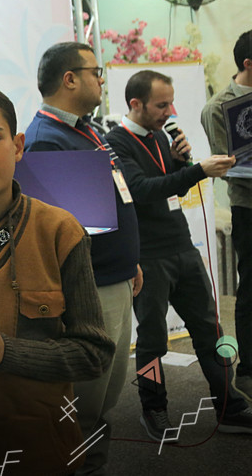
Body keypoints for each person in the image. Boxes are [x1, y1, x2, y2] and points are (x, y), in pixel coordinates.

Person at [0, 83, 114, 475]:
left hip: (39, 442)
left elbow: (94, 353)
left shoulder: (60, 230)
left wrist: (6, 352)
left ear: (17, 146)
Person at [105, 69, 252, 440]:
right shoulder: (114, 143)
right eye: (161, 105)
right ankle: (153, 406)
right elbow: (141, 190)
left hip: (181, 246)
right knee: (152, 340)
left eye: (171, 103)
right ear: (135, 104)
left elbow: (173, 186)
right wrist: (198, 170)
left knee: (210, 328)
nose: (169, 111)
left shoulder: (161, 135)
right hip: (149, 255)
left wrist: (180, 163)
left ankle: (229, 405)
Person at [23, 42, 143, 475]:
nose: (101, 80)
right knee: (87, 400)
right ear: (69, 79)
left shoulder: (85, 130)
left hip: (115, 276)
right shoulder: (46, 140)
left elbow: (107, 204)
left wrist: (129, 261)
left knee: (105, 394)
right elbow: (62, 234)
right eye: (96, 72)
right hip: (91, 286)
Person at [201, 29, 252, 402]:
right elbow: (225, 167)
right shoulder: (219, 108)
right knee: (249, 288)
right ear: (248, 64)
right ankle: (248, 369)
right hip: (248, 207)